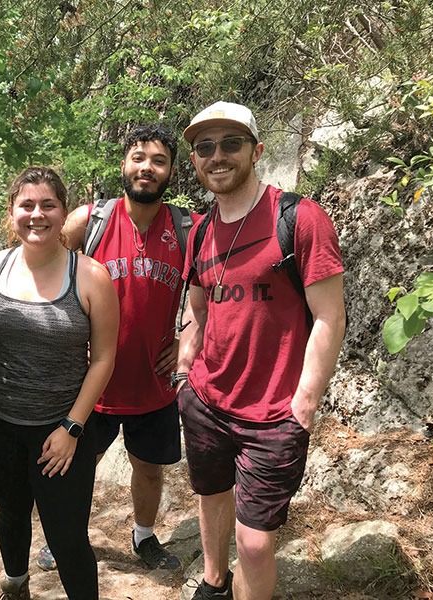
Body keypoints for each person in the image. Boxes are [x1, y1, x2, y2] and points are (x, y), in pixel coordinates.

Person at [176, 101, 346, 600]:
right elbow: (200, 305)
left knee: (253, 544)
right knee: (210, 497)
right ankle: (213, 582)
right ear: (195, 160)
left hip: (274, 415)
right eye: (205, 147)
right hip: (207, 402)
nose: (218, 155)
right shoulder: (202, 231)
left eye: (231, 143)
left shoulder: (299, 218)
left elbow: (330, 316)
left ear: (256, 150)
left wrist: (305, 404)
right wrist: (188, 365)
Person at [48, 124, 199, 571]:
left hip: (153, 381)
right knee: (77, 467)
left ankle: (144, 537)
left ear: (171, 171)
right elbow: (47, 272)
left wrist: (188, 336)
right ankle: (63, 537)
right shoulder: (88, 221)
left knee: (149, 469)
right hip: (92, 382)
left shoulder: (187, 228)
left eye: (158, 161)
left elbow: (209, 286)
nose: (146, 168)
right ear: (123, 164)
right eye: (138, 158)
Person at [0, 166, 119, 600]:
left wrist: (72, 427)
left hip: (61, 431)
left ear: (63, 212)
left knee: (67, 537)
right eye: (26, 205)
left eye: (47, 205)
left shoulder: (91, 277)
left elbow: (104, 359)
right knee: (10, 513)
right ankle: (15, 586)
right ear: (11, 212)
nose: (37, 214)